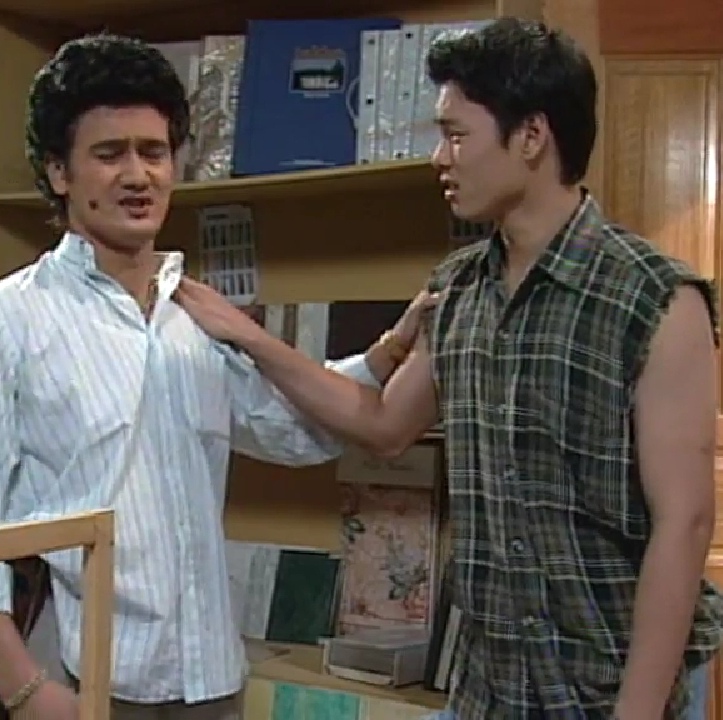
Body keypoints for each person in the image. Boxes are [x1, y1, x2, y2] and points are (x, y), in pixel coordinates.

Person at [175, 17, 723, 720]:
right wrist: (249, 338)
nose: (440, 157)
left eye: (457, 135)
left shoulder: (656, 300)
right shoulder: (458, 288)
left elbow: (685, 523)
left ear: (531, 136)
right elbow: (382, 425)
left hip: (607, 687)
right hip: (488, 687)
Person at [0, 33, 434, 720]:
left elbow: (293, 432)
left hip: (211, 681)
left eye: (154, 152)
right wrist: (23, 689)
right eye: (109, 155)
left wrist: (389, 351)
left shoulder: (195, 314)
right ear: (59, 172)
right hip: (87, 681)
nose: (138, 175)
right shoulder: (15, 318)